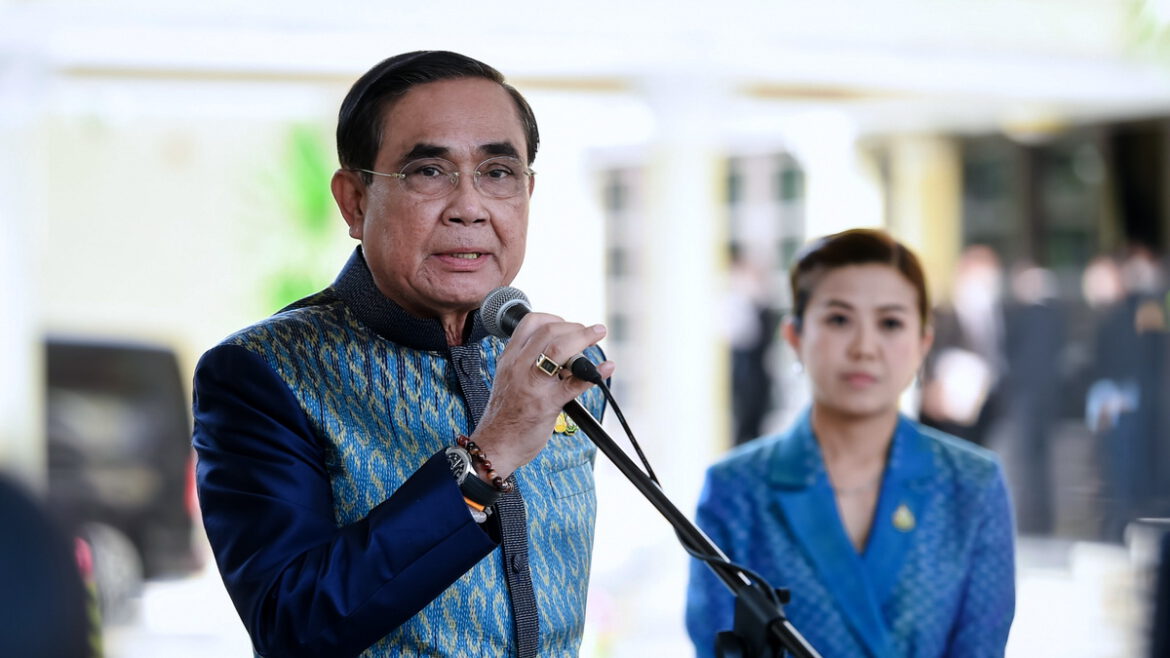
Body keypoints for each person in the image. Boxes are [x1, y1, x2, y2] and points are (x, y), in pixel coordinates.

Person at [193, 50, 614, 657]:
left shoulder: (557, 367)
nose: (469, 207)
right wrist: (490, 453)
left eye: (498, 172)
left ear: (527, 193)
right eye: (428, 171)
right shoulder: (264, 373)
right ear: (354, 201)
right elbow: (293, 626)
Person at [686, 229, 1016, 657]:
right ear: (795, 337)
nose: (865, 347)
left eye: (890, 323)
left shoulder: (973, 484)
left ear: (923, 344)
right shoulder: (735, 489)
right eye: (839, 320)